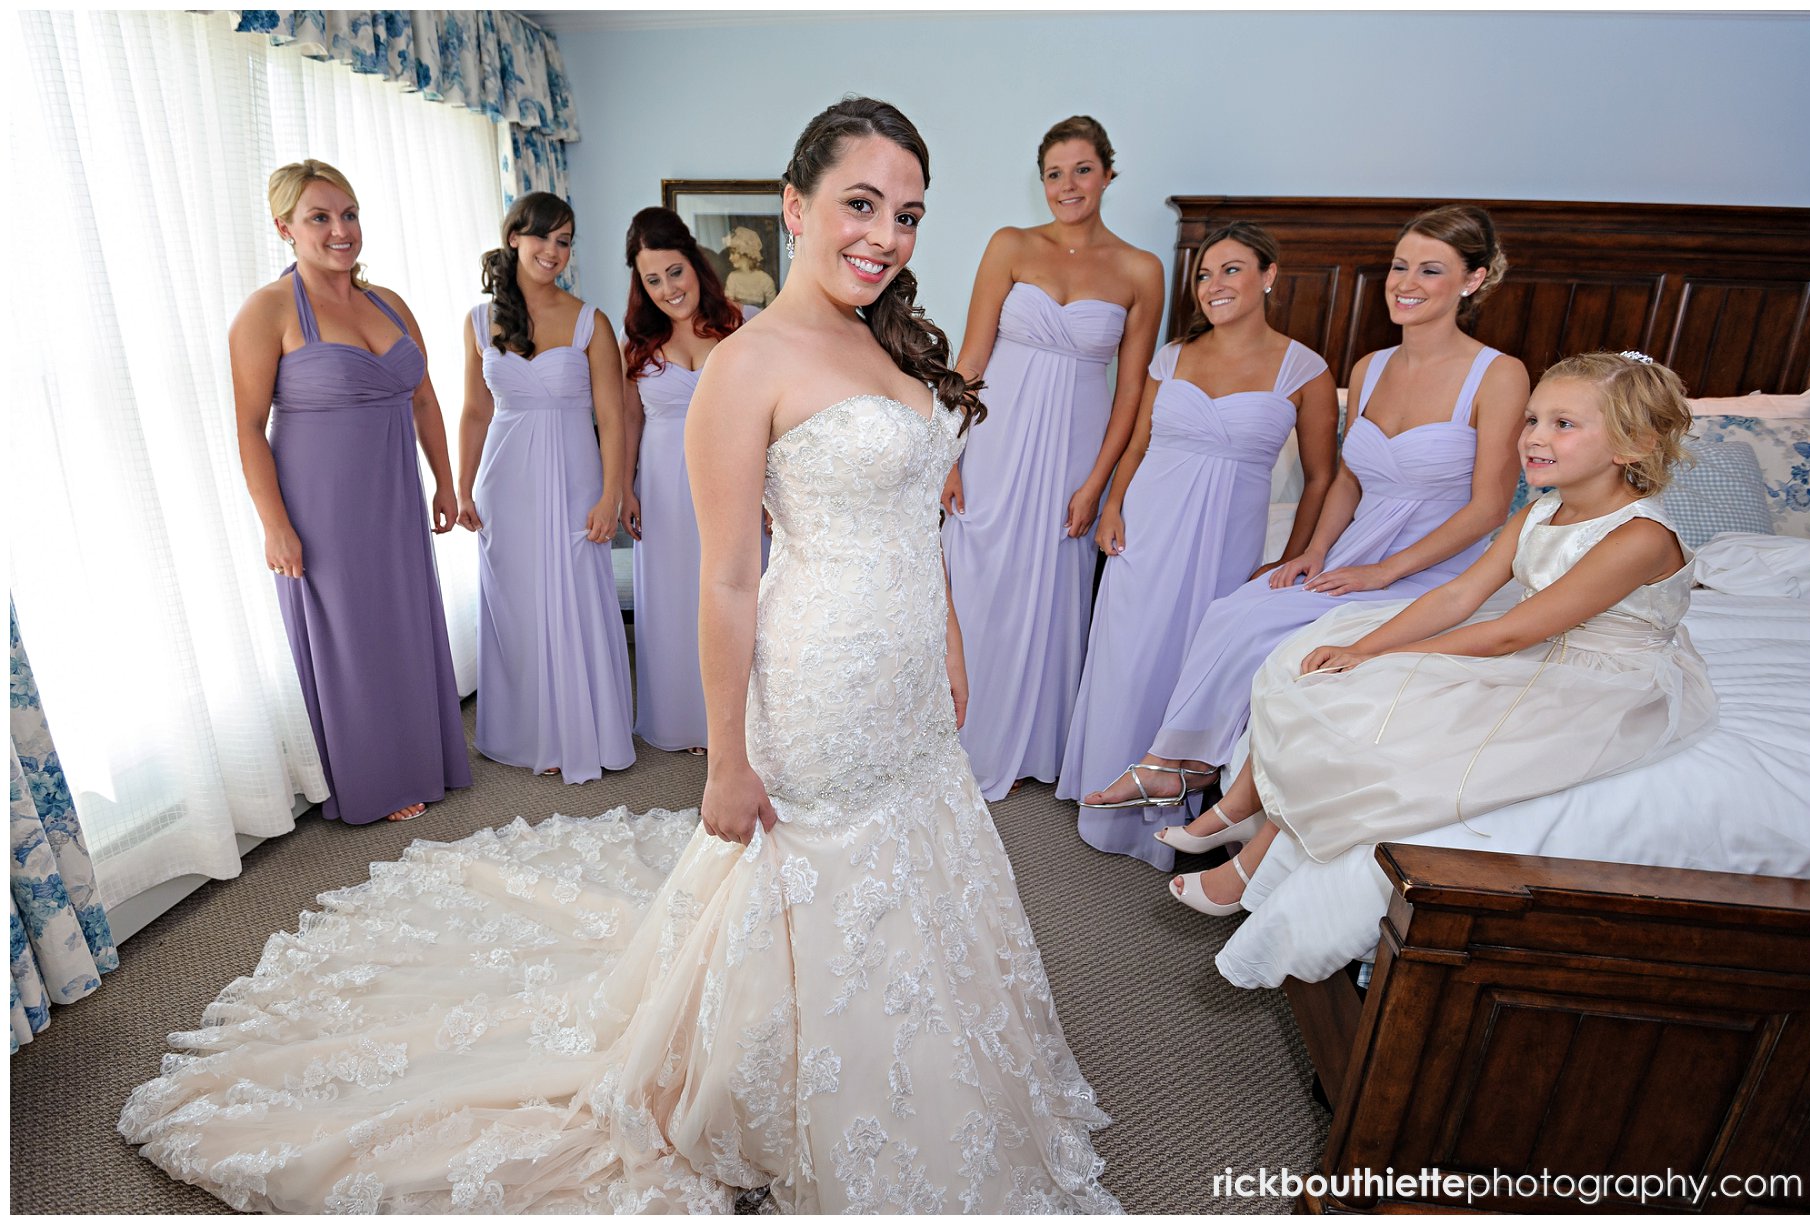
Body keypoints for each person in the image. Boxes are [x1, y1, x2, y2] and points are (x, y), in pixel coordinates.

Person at [119, 99, 1119, 1215]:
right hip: (823, 679)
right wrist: (726, 760)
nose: (886, 235)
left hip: (909, 680)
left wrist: (947, 630)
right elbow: (729, 580)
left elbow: (914, 515)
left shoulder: (887, 336)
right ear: (795, 209)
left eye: (910, 214)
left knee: (920, 870)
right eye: (861, 204)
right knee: (818, 886)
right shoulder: (749, 368)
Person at [1165, 351, 1716, 913]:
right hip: (1539, 642)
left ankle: (1251, 863)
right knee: (1311, 652)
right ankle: (1238, 806)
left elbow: (1507, 635)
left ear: (1634, 445)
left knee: (1382, 701)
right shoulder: (1538, 513)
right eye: (1532, 419)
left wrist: (1384, 660)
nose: (1533, 437)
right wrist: (1362, 647)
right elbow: (1459, 595)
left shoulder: (1640, 537)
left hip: (1602, 673)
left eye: (1563, 424)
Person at [1081, 204, 1529, 832]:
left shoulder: (1500, 375)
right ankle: (1182, 763)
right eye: (1400, 267)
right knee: (1239, 607)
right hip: (1358, 549)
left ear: (1473, 281)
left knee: (1271, 631)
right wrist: (1314, 552)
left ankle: (1187, 770)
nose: (1406, 283)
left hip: (1436, 563)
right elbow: (1345, 478)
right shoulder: (1369, 369)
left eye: (1430, 270)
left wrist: (1384, 572)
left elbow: (1490, 507)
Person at [1059, 222, 1336, 867]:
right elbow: (1138, 442)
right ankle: (1107, 800)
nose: (1215, 285)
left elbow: (1322, 476)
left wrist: (1293, 554)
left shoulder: (1305, 370)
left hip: (1226, 541)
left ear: (1269, 276)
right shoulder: (1173, 355)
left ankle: (1172, 799)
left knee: (1189, 658)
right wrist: (1114, 506)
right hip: (1148, 524)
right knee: (1129, 652)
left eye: (1232, 270)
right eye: (1205, 274)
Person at [228, 159, 470, 825]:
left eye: (349, 213)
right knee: (350, 638)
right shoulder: (267, 311)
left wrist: (445, 481)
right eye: (320, 217)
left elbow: (423, 397)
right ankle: (375, 778)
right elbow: (249, 427)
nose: (341, 229)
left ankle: (421, 758)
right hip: (321, 502)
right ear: (285, 228)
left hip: (395, 492)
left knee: (403, 621)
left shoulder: (389, 302)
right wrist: (275, 524)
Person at [940, 116, 1164, 801]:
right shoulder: (1010, 245)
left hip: (1076, 444)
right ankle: (955, 734)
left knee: (1053, 588)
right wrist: (946, 452)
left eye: (1082, 170)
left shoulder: (1141, 270)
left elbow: (1133, 390)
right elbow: (972, 357)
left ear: (1109, 174)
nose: (1068, 185)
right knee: (974, 575)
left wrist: (1098, 482)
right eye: (1054, 173)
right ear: (1041, 181)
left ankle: (1036, 744)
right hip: (998, 435)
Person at [455, 192, 635, 783]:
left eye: (565, 241)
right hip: (504, 482)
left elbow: (612, 418)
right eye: (543, 238)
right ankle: (528, 731)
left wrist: (611, 494)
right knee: (517, 605)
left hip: (573, 475)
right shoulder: (479, 321)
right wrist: (462, 487)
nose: (553, 252)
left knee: (576, 594)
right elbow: (475, 411)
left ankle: (581, 729)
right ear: (514, 239)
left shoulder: (591, 321)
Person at [620, 206, 756, 754]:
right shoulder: (639, 345)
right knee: (678, 598)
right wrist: (624, 487)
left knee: (739, 595)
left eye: (674, 271)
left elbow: (771, 414)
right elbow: (628, 420)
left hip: (733, 478)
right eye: (652, 279)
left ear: (695, 264)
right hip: (662, 484)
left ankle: (744, 723)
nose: (668, 289)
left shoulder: (744, 324)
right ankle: (688, 721)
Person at [720, 224, 778, 307]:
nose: (730, 258)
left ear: (745, 253)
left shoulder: (765, 280)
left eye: (733, 253)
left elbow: (772, 310)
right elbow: (728, 307)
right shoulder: (733, 278)